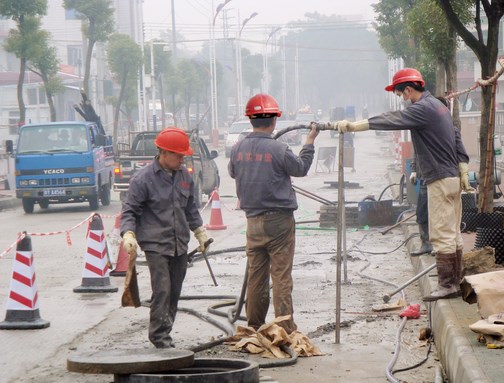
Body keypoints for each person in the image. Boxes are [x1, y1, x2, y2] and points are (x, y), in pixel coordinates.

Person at [335, 68, 471, 301]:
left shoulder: (422, 109)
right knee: (453, 232)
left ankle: (448, 285)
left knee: (441, 235)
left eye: (401, 94)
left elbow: (392, 119)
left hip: (439, 178)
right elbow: (456, 136)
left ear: (408, 89)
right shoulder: (439, 107)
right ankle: (455, 282)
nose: (402, 99)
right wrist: (463, 164)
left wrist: (356, 126)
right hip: (452, 177)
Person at [228, 93, 320, 333]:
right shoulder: (279, 148)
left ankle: (254, 327)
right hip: (279, 221)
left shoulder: (237, 149)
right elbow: (300, 168)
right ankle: (284, 329)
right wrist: (309, 141)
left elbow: (233, 172)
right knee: (280, 276)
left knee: (256, 276)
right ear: (274, 121)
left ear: (250, 120)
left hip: (253, 221)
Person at [120, 127, 211, 348]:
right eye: (178, 155)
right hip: (156, 245)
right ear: (164, 153)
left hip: (179, 244)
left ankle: (166, 331)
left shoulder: (184, 177)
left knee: (175, 290)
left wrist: (199, 232)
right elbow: (130, 210)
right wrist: (128, 233)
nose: (182, 159)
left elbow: (190, 208)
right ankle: (159, 337)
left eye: (183, 155)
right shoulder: (143, 179)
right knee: (162, 289)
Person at [409, 96, 470, 257]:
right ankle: (427, 244)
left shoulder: (450, 129)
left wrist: (463, 171)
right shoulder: (424, 128)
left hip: (443, 178)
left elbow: (460, 150)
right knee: (422, 213)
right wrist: (414, 170)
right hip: (426, 176)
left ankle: (444, 258)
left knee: (446, 222)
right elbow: (417, 150)